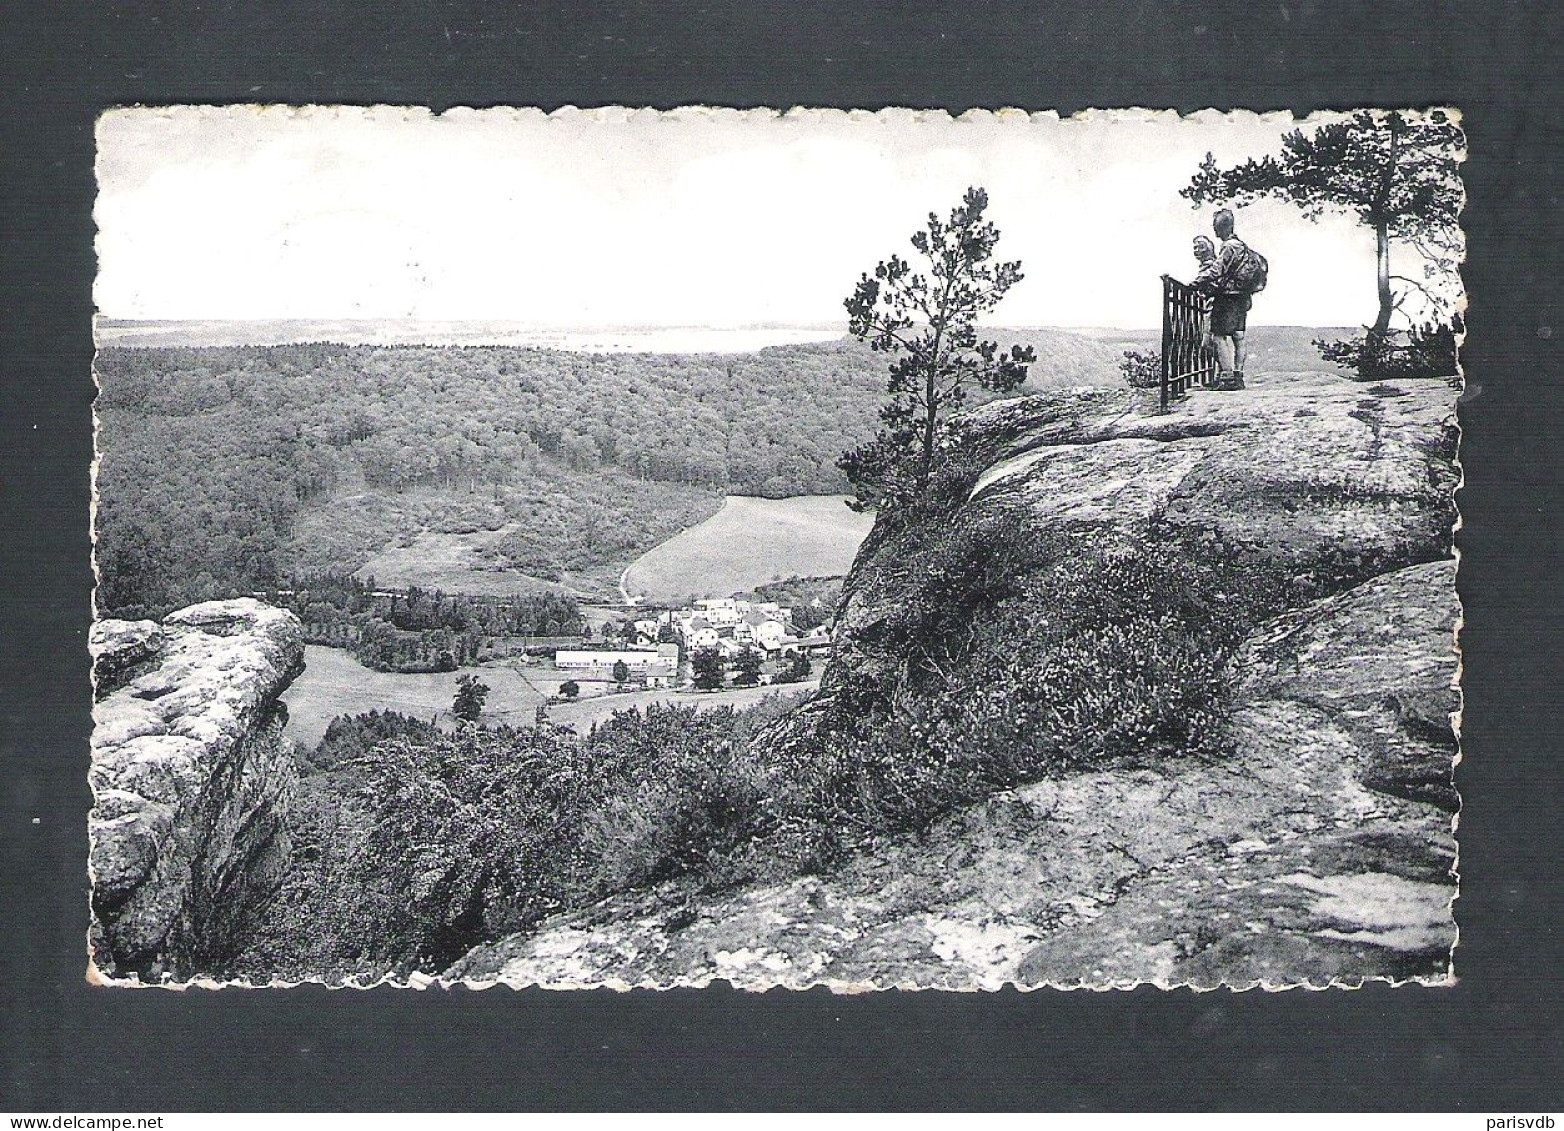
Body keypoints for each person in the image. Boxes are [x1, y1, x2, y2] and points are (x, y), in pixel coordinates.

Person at [1206, 208, 1253, 390]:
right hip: (1242, 297)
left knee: (1218, 336)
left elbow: (1216, 271)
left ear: (1221, 227)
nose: (1214, 230)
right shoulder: (1241, 245)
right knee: (1239, 336)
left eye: (1215, 226)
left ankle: (1227, 378)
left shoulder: (1228, 246)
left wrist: (1196, 283)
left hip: (1227, 296)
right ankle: (1238, 376)